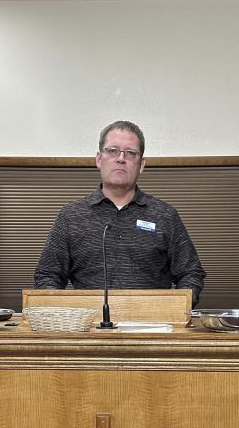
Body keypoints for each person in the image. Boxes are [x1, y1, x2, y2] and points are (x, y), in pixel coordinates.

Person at [33, 120, 206, 305]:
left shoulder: (165, 216)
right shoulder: (70, 216)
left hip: (152, 328)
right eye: (112, 150)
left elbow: (191, 273)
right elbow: (48, 275)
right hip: (89, 328)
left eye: (130, 153)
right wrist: (60, 312)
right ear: (99, 159)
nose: (121, 158)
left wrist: (176, 308)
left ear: (141, 164)